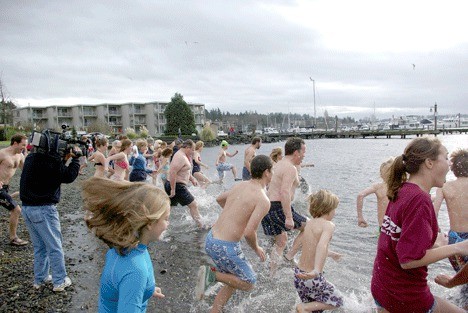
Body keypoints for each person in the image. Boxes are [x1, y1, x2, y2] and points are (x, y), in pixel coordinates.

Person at [371, 137, 468, 313]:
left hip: (383, 286)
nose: (449, 165)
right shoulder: (420, 199)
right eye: (446, 158)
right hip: (405, 296)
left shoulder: (402, 190)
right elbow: (408, 260)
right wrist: (458, 247)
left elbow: (397, 240)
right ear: (429, 163)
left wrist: (436, 243)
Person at [195, 155, 273, 312]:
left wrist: (234, 214)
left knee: (232, 278)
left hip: (212, 239)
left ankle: (215, 310)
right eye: (273, 171)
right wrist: (257, 248)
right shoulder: (263, 199)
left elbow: (219, 199)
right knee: (249, 281)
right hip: (225, 246)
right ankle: (212, 276)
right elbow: (249, 233)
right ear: (266, 172)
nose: (273, 174)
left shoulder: (241, 185)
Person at [82, 177, 169, 312]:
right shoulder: (136, 271)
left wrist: (147, 289)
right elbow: (130, 278)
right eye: (166, 219)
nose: (167, 224)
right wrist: (136, 286)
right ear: (150, 223)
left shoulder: (124, 247)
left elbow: (118, 284)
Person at [20, 135, 81, 292]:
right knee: (55, 246)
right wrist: (75, 160)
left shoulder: (30, 158)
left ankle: (40, 278)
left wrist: (63, 159)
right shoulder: (52, 161)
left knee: (40, 246)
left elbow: (53, 171)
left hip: (27, 208)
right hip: (44, 209)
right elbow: (68, 176)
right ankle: (59, 280)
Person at [261, 137, 308, 271]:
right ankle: (289, 257)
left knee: (281, 241)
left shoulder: (278, 164)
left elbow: (270, 187)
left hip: (268, 207)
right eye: (303, 152)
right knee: (309, 227)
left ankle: (272, 274)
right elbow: (284, 192)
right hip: (278, 207)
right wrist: (288, 217)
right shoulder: (289, 168)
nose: (304, 155)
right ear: (296, 153)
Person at [294, 189, 343, 312]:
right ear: (328, 209)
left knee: (315, 309)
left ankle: (304, 308)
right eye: (334, 209)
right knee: (337, 300)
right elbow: (322, 246)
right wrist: (316, 271)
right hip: (312, 277)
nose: (335, 212)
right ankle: (302, 307)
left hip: (299, 275)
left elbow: (311, 247)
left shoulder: (310, 223)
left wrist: (331, 254)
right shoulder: (328, 225)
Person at [434, 148, 468, 272]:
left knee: (462, 278)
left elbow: (433, 212)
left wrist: (437, 231)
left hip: (454, 238)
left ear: (453, 169)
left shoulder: (445, 187)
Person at [164, 139, 204, 228]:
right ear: (187, 147)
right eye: (192, 149)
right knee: (193, 205)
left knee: (169, 208)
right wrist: (173, 189)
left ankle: (161, 225)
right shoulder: (180, 157)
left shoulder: (182, 155)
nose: (193, 152)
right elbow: (172, 172)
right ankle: (201, 226)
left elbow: (183, 170)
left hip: (176, 185)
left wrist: (192, 179)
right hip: (177, 186)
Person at [0, 134, 28, 246]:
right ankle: (13, 238)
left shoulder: (20, 156)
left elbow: (27, 171)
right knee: (16, 210)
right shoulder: (2, 153)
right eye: (23, 145)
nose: (24, 147)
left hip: (6, 187)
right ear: (15, 143)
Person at [356, 157, 393, 228]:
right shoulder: (401, 187)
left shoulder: (378, 187)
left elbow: (360, 195)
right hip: (397, 227)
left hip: (383, 227)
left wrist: (360, 217)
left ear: (381, 174)